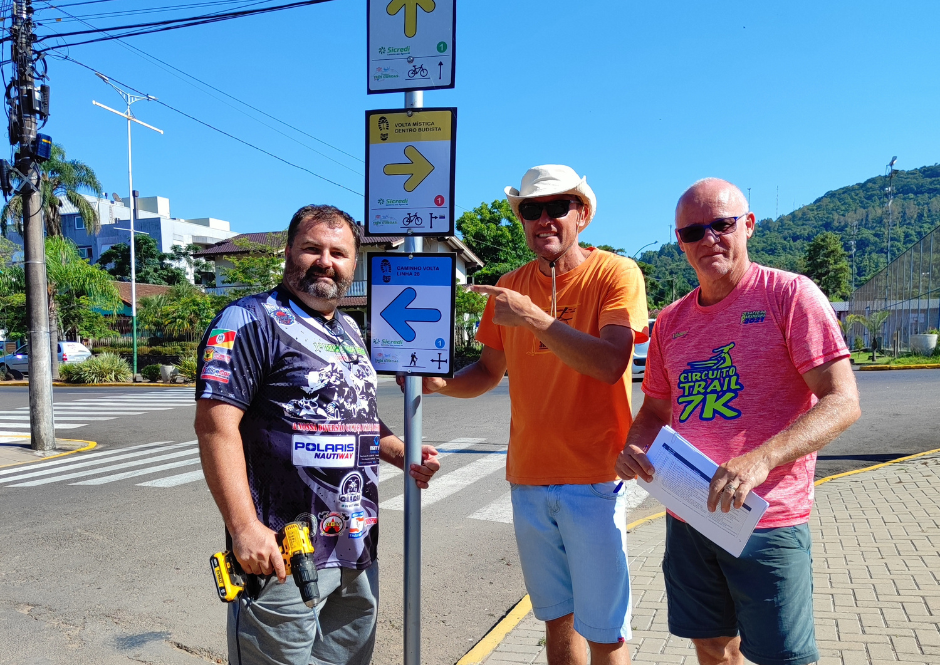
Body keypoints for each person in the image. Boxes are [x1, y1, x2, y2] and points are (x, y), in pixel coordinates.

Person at [616, 178, 860, 665]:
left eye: (721, 225)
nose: (708, 240)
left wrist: (760, 459)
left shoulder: (789, 295)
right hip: (688, 515)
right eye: (692, 233)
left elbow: (842, 400)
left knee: (782, 657)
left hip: (766, 519)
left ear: (747, 225)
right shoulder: (671, 321)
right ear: (680, 242)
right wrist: (635, 446)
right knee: (710, 645)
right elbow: (658, 410)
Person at [412, 164, 648, 664]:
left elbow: (610, 364)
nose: (543, 219)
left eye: (556, 207)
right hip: (528, 478)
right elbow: (489, 371)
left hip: (595, 478)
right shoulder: (509, 285)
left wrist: (534, 317)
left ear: (581, 215)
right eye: (531, 210)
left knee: (606, 631)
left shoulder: (615, 273)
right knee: (555, 619)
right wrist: (442, 385)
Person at [194, 204, 440, 665]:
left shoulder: (349, 329)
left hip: (355, 541)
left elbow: (355, 416)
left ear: (353, 262)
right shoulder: (248, 320)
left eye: (339, 252)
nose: (326, 261)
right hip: (283, 553)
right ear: (288, 252)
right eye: (312, 248)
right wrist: (244, 528)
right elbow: (215, 425)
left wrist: (399, 450)